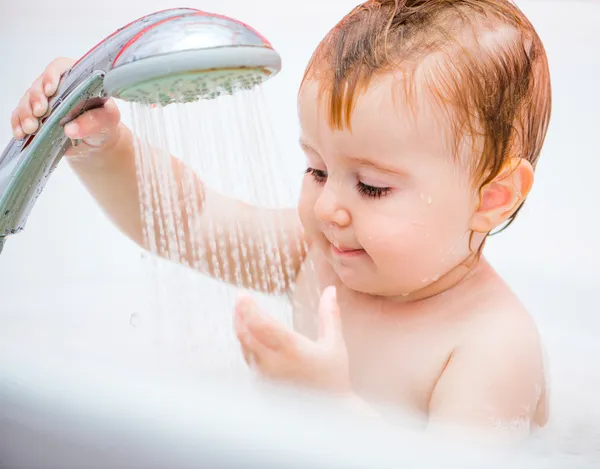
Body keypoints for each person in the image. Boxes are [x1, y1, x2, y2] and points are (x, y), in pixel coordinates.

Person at [10, 0, 551, 436]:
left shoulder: (492, 346)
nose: (326, 207)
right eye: (316, 170)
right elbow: (188, 222)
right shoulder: (319, 257)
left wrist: (332, 410)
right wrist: (105, 147)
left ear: (492, 198)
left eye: (371, 186)